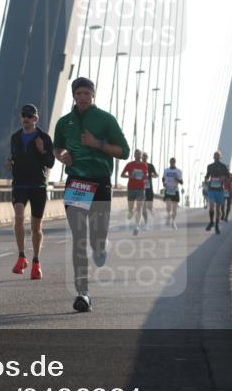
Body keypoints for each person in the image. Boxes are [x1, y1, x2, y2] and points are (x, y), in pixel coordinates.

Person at [54, 77, 130, 313]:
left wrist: (98, 144)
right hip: (77, 183)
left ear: (93, 95)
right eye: (79, 93)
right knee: (79, 237)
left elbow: (124, 151)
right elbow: (57, 147)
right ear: (74, 96)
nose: (83, 97)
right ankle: (82, 293)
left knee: (96, 239)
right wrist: (62, 156)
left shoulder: (106, 119)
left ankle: (100, 246)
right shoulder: (64, 122)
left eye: (87, 93)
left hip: (100, 182)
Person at [4, 103, 55, 280]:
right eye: (24, 115)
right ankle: (21, 256)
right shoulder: (15, 137)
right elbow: (13, 156)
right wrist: (10, 163)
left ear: (35, 119)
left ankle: (36, 261)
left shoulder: (44, 138)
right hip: (19, 185)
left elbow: (50, 163)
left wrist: (42, 150)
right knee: (18, 217)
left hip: (38, 186)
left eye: (29, 116)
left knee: (36, 227)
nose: (26, 118)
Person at [121, 150, 149, 235]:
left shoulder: (144, 165)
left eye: (139, 155)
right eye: (136, 154)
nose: (137, 156)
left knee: (139, 208)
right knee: (130, 210)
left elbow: (145, 176)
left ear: (141, 156)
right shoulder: (129, 164)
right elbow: (122, 175)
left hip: (141, 188)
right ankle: (131, 212)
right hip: (131, 188)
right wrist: (130, 176)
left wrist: (147, 186)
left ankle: (137, 226)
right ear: (134, 155)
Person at [204, 151, 231, 234]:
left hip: (220, 190)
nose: (216, 157)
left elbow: (228, 177)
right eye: (215, 156)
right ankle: (211, 222)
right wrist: (206, 180)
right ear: (213, 157)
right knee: (211, 206)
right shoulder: (210, 166)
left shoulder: (223, 166)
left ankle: (216, 226)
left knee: (218, 209)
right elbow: (207, 175)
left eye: (218, 156)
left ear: (220, 157)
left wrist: (224, 178)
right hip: (211, 189)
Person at [162, 157, 183, 229]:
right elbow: (163, 178)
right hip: (168, 190)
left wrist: (177, 178)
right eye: (171, 161)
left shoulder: (178, 171)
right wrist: (163, 183)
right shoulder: (166, 170)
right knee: (168, 207)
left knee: (174, 209)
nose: (172, 163)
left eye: (173, 162)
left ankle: (173, 222)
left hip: (175, 190)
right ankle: (168, 216)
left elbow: (181, 182)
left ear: (175, 162)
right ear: (169, 162)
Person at [142, 153, 159, 229]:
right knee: (143, 207)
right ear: (141, 157)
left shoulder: (150, 166)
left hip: (149, 187)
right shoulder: (139, 165)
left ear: (147, 158)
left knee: (149, 207)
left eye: (145, 157)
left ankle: (152, 210)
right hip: (141, 188)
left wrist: (153, 175)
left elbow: (156, 175)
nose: (144, 158)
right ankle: (146, 223)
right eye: (143, 157)